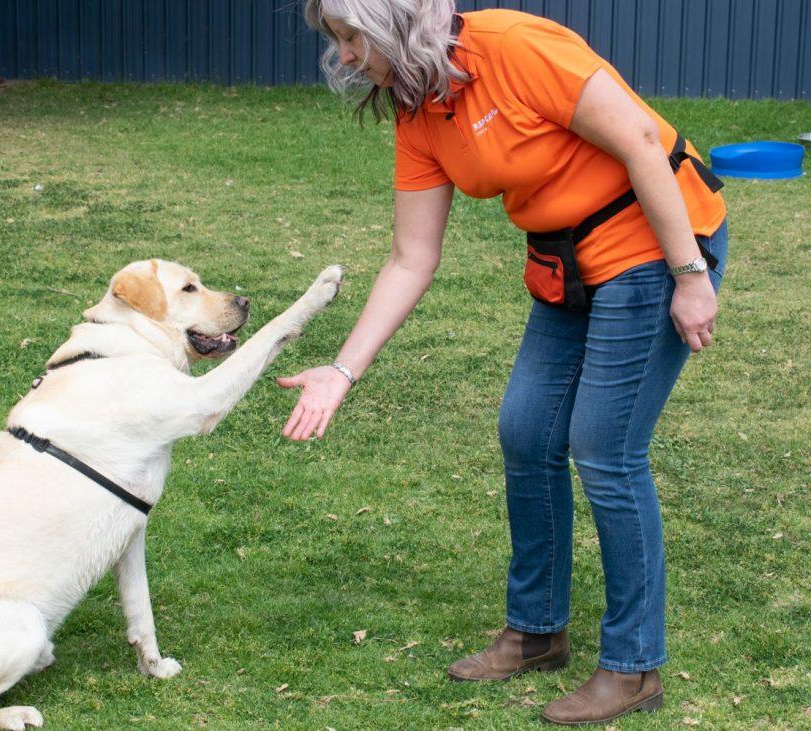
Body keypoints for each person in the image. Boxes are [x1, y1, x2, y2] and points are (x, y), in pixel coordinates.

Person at [277, 0, 728, 725]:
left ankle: (634, 664)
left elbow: (643, 140)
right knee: (526, 430)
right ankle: (537, 630)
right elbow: (411, 257)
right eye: (337, 38)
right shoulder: (419, 110)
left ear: (394, 20)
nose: (346, 54)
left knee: (605, 448)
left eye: (352, 34)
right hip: (567, 260)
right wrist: (342, 369)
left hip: (654, 242)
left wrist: (689, 274)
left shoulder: (515, 46)